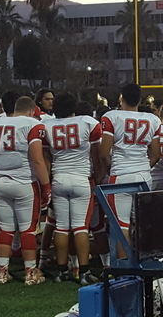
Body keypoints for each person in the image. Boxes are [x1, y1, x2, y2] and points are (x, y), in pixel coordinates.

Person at [0, 96, 51, 285]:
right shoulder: (31, 124)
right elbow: (37, 159)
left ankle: (2, 272)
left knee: (5, 229)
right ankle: (30, 272)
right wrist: (46, 185)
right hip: (24, 183)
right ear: (31, 111)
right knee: (27, 230)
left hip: (0, 183)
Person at [42, 93, 103, 285]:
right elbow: (96, 156)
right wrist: (99, 177)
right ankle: (83, 271)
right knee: (80, 227)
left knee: (61, 226)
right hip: (81, 179)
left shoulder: (46, 126)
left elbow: (46, 159)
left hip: (59, 179)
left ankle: (62, 271)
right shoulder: (88, 122)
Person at [100, 83, 161, 249]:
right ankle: (146, 265)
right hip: (143, 176)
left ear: (121, 98)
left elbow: (104, 153)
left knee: (121, 225)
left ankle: (125, 270)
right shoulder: (153, 119)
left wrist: (110, 170)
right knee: (143, 224)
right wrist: (142, 167)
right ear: (140, 100)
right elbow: (156, 154)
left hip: (120, 175)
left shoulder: (112, 117)